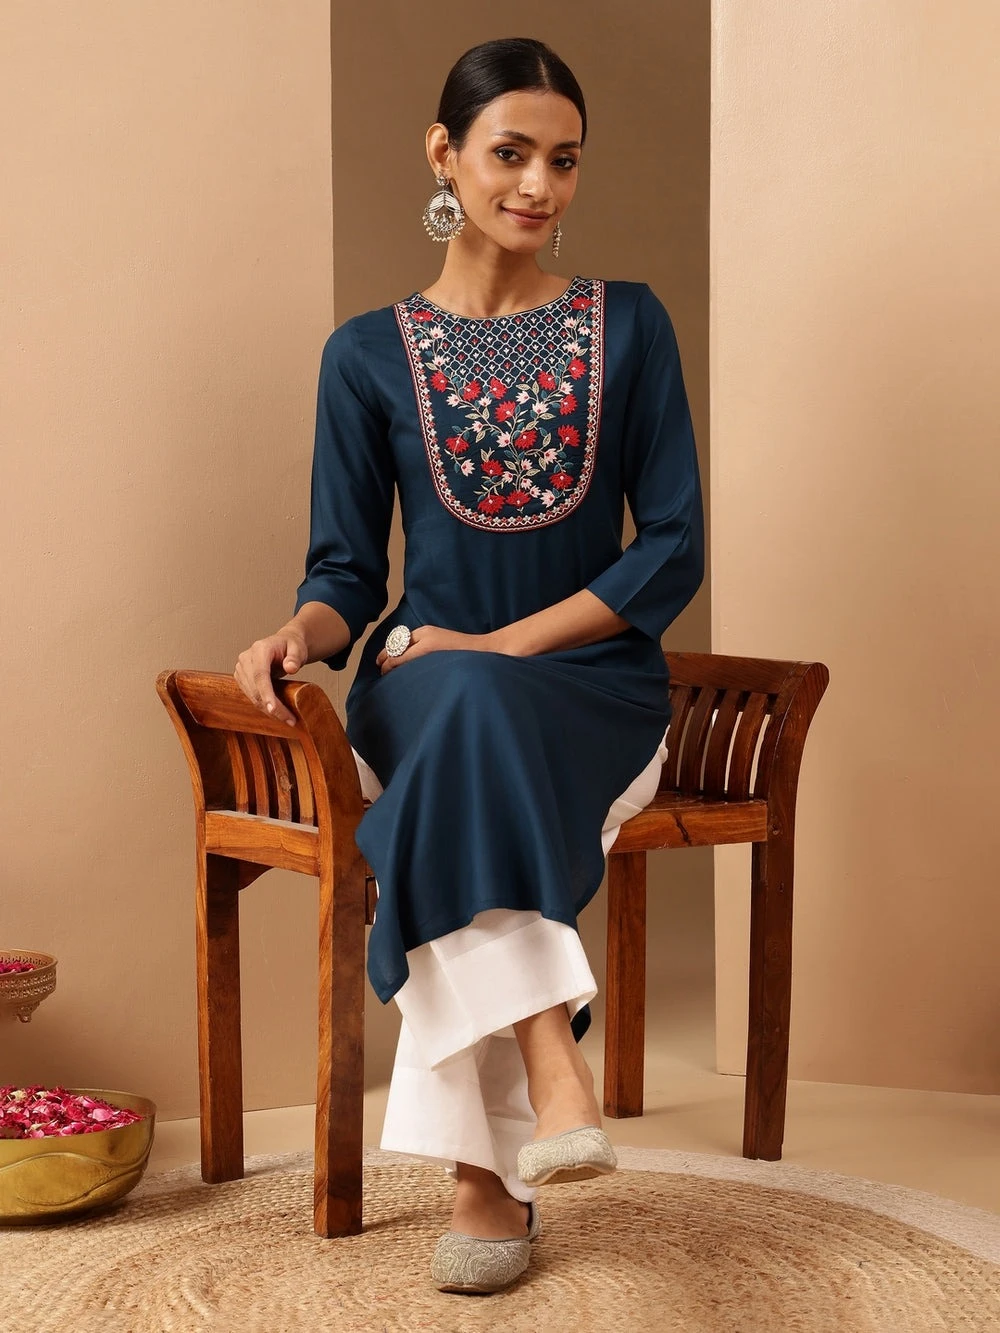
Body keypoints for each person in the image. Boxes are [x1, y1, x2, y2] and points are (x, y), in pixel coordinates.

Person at [235, 36, 704, 1295]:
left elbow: (671, 547)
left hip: (592, 691)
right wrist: (296, 636)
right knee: (458, 719)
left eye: (564, 160)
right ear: (444, 156)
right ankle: (551, 1064)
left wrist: (496, 644)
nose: (539, 185)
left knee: (466, 737)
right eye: (510, 153)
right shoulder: (364, 355)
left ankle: (483, 1180)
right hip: (423, 686)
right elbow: (346, 574)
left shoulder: (629, 325)